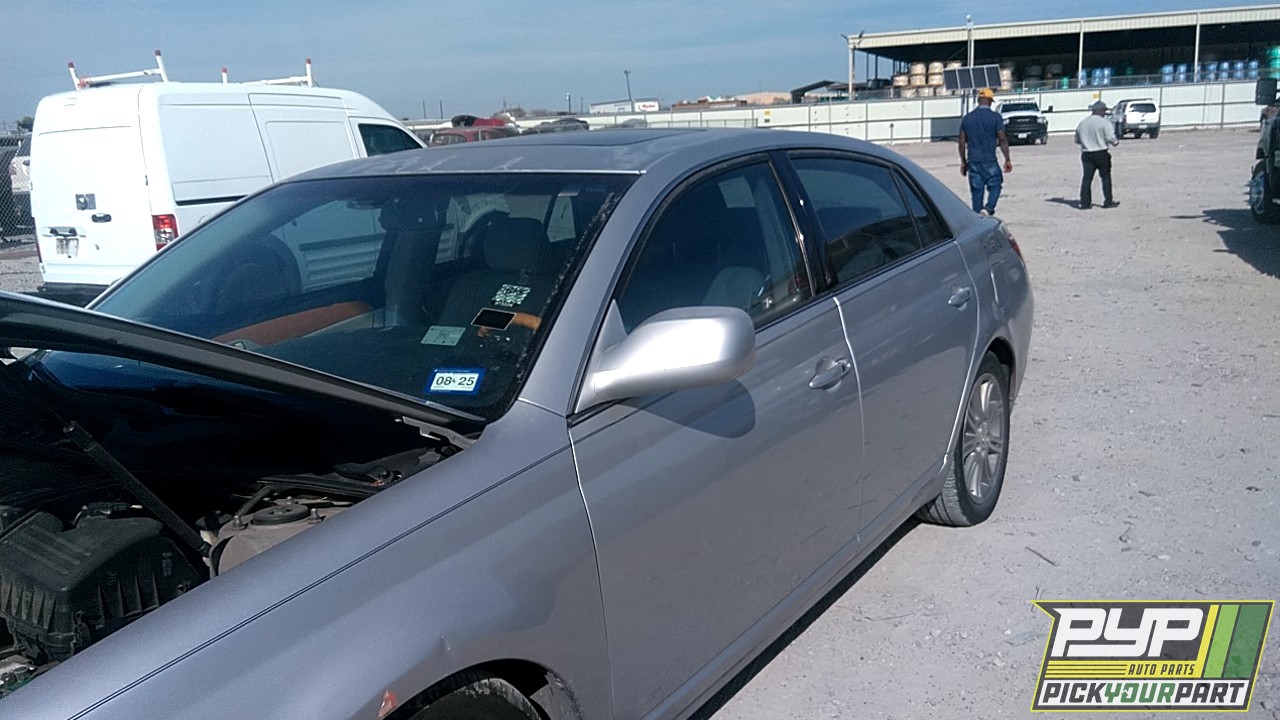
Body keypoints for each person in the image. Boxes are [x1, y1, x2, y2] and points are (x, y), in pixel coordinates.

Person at [958, 87, 1013, 216]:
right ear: (989, 101)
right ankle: (988, 209)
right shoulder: (995, 118)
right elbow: (1002, 139)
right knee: (996, 186)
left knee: (976, 193)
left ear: (978, 100)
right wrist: (1007, 159)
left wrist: (963, 162)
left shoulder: (967, 118)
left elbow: (961, 142)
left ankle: (978, 219)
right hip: (989, 161)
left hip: (973, 161)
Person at [1075, 100, 1120, 209]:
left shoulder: (1082, 123)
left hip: (1087, 153)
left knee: (1087, 178)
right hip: (1101, 152)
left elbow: (1077, 139)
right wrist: (1115, 142)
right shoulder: (1104, 123)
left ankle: (1085, 202)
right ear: (1100, 111)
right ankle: (1108, 201)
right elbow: (1110, 138)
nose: (1105, 113)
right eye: (1104, 110)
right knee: (1105, 177)